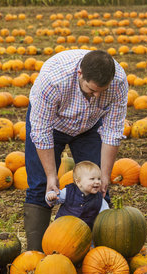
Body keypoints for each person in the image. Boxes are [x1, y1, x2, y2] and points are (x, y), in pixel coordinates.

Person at [24, 49, 128, 252]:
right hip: (51, 126)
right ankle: (35, 254)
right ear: (80, 74)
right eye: (91, 90)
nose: (97, 95)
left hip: (89, 127)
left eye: (102, 91)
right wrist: (52, 176)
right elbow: (41, 132)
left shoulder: (118, 82)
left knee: (97, 186)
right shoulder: (52, 83)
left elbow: (112, 131)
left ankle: (99, 252)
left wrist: (105, 175)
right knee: (41, 186)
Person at [45, 161, 109, 230]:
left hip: (84, 233)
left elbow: (105, 214)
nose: (97, 182)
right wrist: (51, 196)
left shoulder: (99, 199)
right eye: (92, 179)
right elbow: (57, 198)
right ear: (78, 182)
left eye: (99, 179)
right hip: (62, 229)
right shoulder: (69, 191)